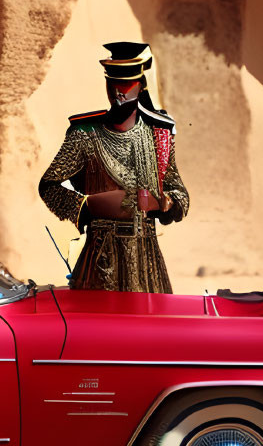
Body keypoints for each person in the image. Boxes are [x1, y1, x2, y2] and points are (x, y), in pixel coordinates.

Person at [38, 41, 190, 292]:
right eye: (113, 84)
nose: (118, 92)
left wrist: (162, 202)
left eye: (126, 84)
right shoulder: (84, 134)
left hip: (147, 262)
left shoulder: (158, 136)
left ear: (140, 86)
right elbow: (49, 185)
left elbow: (181, 196)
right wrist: (86, 206)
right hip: (99, 259)